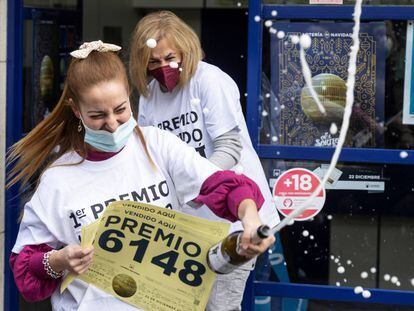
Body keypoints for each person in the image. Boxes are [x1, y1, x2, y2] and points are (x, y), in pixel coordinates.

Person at [7, 41, 275, 310]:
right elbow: (24, 268)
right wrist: (59, 260)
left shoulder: (159, 145)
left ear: (129, 96)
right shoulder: (58, 180)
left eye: (121, 110)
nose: (112, 124)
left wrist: (250, 218)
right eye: (98, 115)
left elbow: (225, 186)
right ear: (76, 110)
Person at [129, 11, 281, 311]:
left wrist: (201, 186)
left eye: (170, 57)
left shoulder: (209, 80)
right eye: (153, 61)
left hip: (234, 219)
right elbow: (149, 155)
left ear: (186, 49)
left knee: (220, 305)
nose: (163, 67)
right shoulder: (150, 96)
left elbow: (229, 146)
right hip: (186, 225)